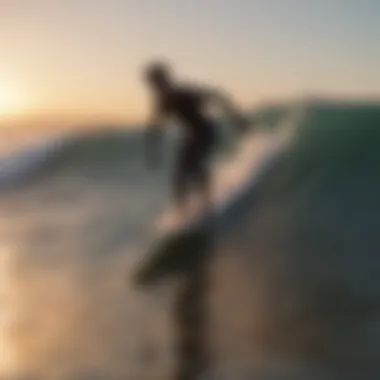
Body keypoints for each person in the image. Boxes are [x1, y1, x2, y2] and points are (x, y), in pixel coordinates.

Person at [143, 61, 248, 217]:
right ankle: (183, 216)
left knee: (195, 166)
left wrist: (236, 118)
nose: (155, 88)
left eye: (157, 82)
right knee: (179, 177)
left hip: (206, 132)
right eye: (153, 85)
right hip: (192, 135)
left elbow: (216, 95)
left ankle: (207, 205)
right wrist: (153, 151)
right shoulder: (162, 102)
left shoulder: (183, 93)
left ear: (165, 80)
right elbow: (156, 127)